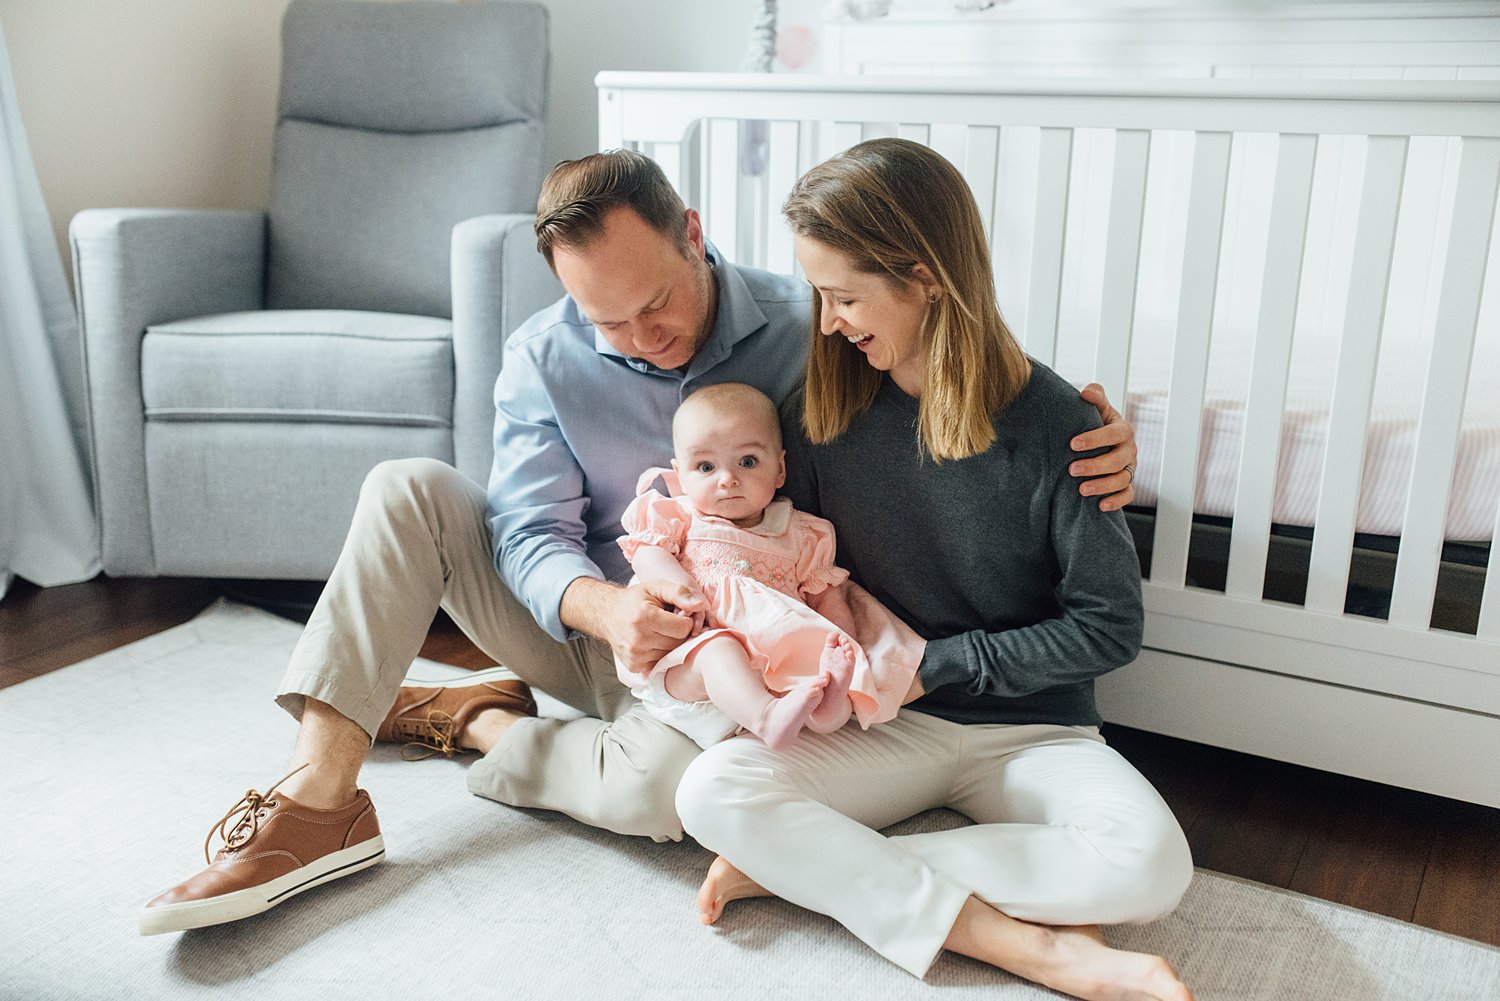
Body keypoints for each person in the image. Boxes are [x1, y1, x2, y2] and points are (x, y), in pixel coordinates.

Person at [137, 149, 1141, 936]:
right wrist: (611, 608)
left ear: (693, 235)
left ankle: (480, 723)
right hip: (595, 620)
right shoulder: (544, 352)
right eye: (604, 319)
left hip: (734, 652)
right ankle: (318, 796)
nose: (639, 337)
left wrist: (1100, 432)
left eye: (654, 302)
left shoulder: (815, 326)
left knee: (669, 799)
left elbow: (960, 386)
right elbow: (527, 532)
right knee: (407, 488)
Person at [672, 138, 1195, 1001]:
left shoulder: (1061, 424)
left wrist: (934, 669)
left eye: (846, 295)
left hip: (1032, 731)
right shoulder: (820, 413)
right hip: (882, 727)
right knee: (713, 789)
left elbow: (1109, 625)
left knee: (1152, 865)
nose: (831, 320)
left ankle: (805, 869)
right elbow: (752, 539)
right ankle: (1036, 951)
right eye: (820, 296)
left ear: (924, 276)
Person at [615, 382, 921, 752]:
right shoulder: (677, 516)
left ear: (779, 470)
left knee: (823, 682)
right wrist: (684, 592)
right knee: (719, 649)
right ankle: (765, 718)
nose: (727, 479)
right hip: (690, 667)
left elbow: (826, 598)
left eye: (747, 462)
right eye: (705, 466)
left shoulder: (803, 533)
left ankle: (825, 708)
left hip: (778, 672)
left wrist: (842, 645)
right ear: (680, 476)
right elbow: (648, 555)